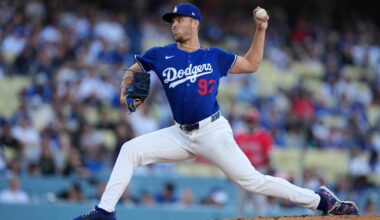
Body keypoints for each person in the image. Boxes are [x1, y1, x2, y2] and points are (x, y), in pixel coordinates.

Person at [74, 3, 358, 220]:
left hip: (212, 132)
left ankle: (321, 201)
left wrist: (260, 30)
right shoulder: (161, 54)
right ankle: (105, 212)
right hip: (180, 134)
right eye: (172, 21)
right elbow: (137, 67)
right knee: (130, 150)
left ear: (194, 23)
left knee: (252, 182)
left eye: (180, 20)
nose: (174, 25)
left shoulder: (213, 57)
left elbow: (252, 64)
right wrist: (128, 87)